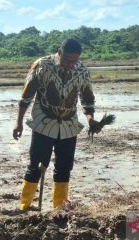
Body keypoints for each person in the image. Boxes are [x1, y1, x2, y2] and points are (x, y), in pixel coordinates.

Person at [13, 39, 100, 210]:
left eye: (73, 61)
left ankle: (59, 208)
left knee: (64, 168)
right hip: (43, 124)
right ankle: (25, 206)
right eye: (67, 60)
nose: (69, 64)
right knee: (36, 166)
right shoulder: (42, 66)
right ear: (59, 52)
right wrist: (19, 123)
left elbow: (87, 100)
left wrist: (90, 119)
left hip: (68, 127)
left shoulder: (82, 70)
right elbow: (26, 96)